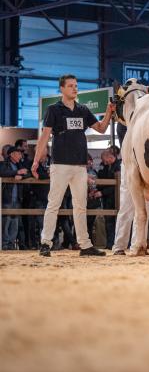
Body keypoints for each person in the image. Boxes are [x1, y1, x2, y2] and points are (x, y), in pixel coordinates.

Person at [31, 74, 115, 257]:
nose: (75, 89)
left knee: (80, 206)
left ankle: (85, 245)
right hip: (60, 165)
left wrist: (109, 111)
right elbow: (44, 136)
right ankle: (45, 243)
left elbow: (101, 128)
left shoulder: (83, 110)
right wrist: (36, 160)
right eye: (70, 86)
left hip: (79, 166)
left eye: (76, 86)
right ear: (61, 88)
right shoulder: (53, 109)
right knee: (54, 204)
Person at [0, 147, 30, 249]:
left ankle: (11, 244)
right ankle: (5, 244)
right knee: (6, 222)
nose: (20, 156)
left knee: (15, 223)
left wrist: (21, 175)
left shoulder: (19, 165)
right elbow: (3, 172)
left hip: (17, 198)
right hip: (7, 198)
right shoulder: (4, 163)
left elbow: (28, 173)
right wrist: (16, 173)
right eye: (18, 153)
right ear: (12, 154)